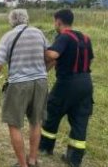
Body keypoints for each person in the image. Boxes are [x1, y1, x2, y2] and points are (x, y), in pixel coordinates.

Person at [0, 9, 49, 167]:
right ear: (26, 19)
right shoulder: (39, 33)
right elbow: (52, 56)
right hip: (41, 82)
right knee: (36, 121)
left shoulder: (8, 37)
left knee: (14, 124)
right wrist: (42, 71)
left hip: (18, 84)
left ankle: (22, 165)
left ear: (11, 21)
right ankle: (33, 160)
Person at [39, 9, 94, 167]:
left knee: (52, 112)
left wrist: (41, 50)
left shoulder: (64, 37)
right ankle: (74, 159)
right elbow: (87, 59)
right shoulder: (85, 37)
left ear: (58, 21)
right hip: (86, 83)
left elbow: (53, 55)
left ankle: (45, 148)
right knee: (80, 120)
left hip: (67, 83)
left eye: (54, 21)